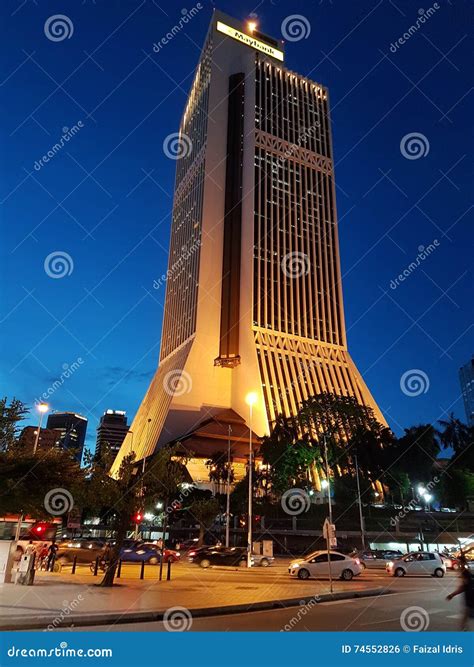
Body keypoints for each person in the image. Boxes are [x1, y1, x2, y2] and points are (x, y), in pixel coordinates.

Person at [446, 556, 474, 631]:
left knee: (466, 616)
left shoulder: (465, 573)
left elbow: (463, 587)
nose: (457, 565)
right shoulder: (467, 571)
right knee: (466, 616)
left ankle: (464, 631)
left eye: (458, 563)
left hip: (471, 599)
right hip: (470, 599)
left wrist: (452, 595)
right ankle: (464, 630)